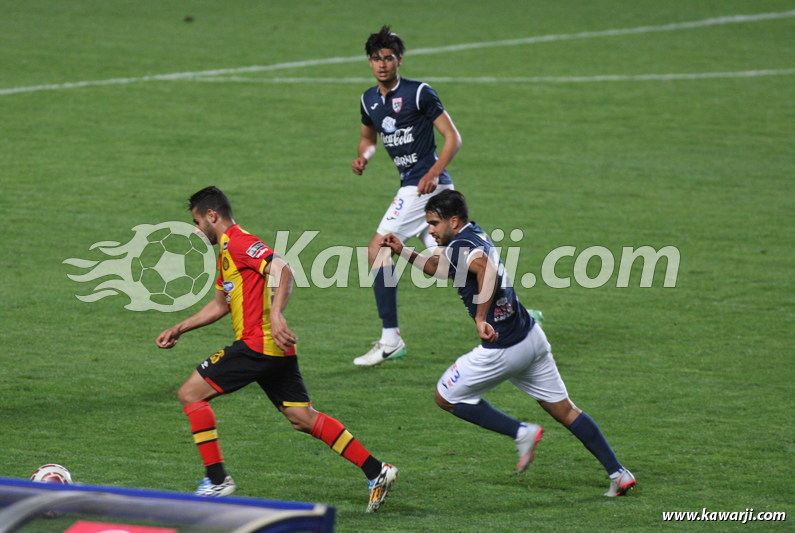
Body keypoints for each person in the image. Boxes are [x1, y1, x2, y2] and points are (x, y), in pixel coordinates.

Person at [156, 186, 398, 512]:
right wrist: (179, 328)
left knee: (190, 394)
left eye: (198, 223)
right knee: (301, 417)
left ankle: (216, 480)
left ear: (212, 216)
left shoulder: (240, 242)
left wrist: (275, 311)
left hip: (259, 346)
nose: (199, 230)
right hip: (274, 350)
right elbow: (219, 306)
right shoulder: (225, 255)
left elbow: (283, 269)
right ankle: (376, 470)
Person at [380, 190, 635, 497]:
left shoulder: (460, 245)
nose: (430, 230)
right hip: (531, 338)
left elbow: (485, 269)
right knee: (566, 411)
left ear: (454, 221)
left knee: (445, 396)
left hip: (503, 348)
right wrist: (403, 250)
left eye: (434, 223)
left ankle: (521, 432)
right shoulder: (471, 234)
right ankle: (618, 473)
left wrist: (480, 317)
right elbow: (440, 268)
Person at [351, 25, 462, 366]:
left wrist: (430, 173)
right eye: (375, 58)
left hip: (423, 186)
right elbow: (368, 140)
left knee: (377, 249)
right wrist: (364, 158)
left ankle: (390, 339)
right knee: (448, 267)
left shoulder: (419, 93)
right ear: (369, 62)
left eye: (388, 58)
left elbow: (452, 138)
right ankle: (513, 309)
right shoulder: (368, 100)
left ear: (399, 60)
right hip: (424, 188)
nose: (381, 64)